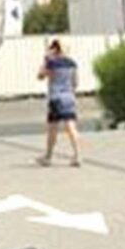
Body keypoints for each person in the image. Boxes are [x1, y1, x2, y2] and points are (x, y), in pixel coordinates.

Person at [37, 38, 82, 166]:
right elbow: (76, 83)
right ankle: (77, 155)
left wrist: (45, 60)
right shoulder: (72, 63)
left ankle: (48, 156)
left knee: (52, 128)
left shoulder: (51, 63)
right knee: (71, 127)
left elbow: (40, 76)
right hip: (69, 97)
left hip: (56, 98)